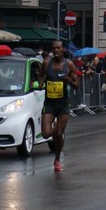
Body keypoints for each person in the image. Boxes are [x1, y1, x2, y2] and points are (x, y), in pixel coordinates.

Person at [38, 40, 79, 172]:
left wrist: (69, 81)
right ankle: (55, 130)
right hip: (49, 103)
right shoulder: (46, 63)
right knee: (46, 134)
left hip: (63, 104)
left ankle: (57, 159)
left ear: (63, 49)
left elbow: (77, 85)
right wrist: (40, 83)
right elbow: (40, 75)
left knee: (59, 133)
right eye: (53, 48)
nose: (56, 50)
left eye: (58, 48)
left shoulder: (69, 64)